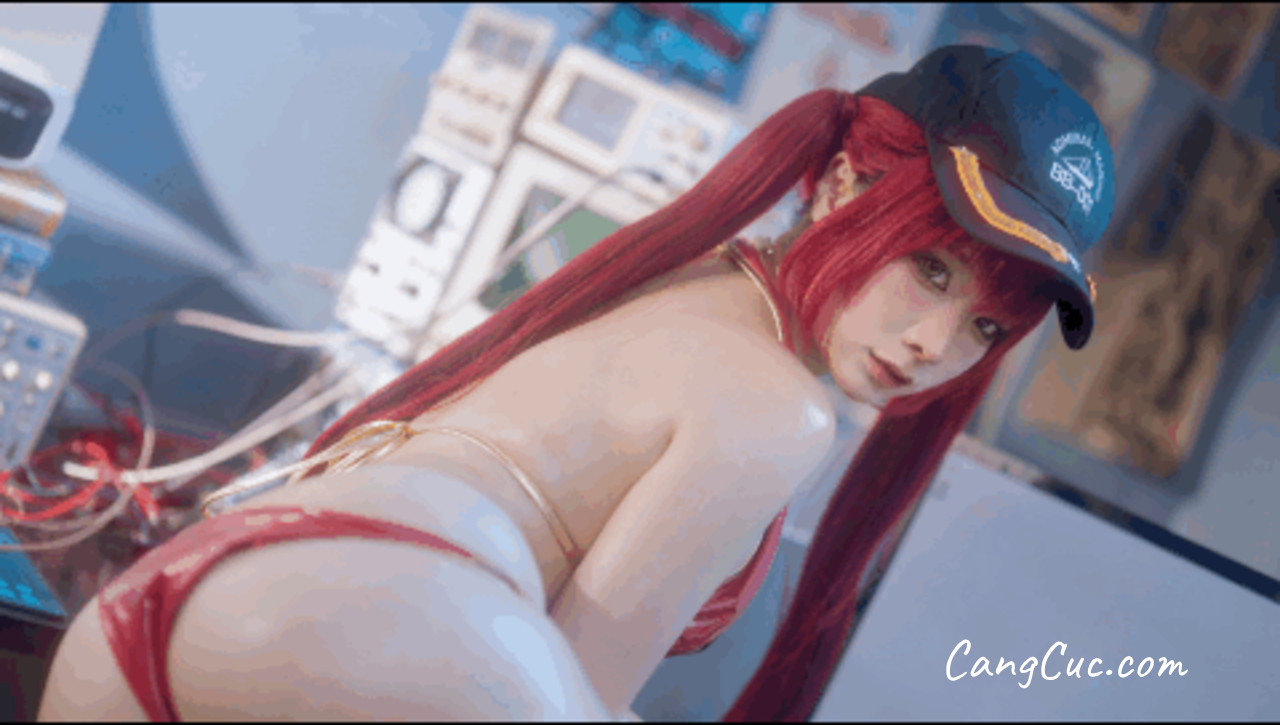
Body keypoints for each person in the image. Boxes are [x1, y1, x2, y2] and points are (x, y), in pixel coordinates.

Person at [38, 45, 1113, 722]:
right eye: (929, 268)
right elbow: (586, 676)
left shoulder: (683, 274)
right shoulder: (779, 409)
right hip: (391, 634)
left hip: (171, 608)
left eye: (985, 324)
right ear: (840, 184)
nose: (933, 342)